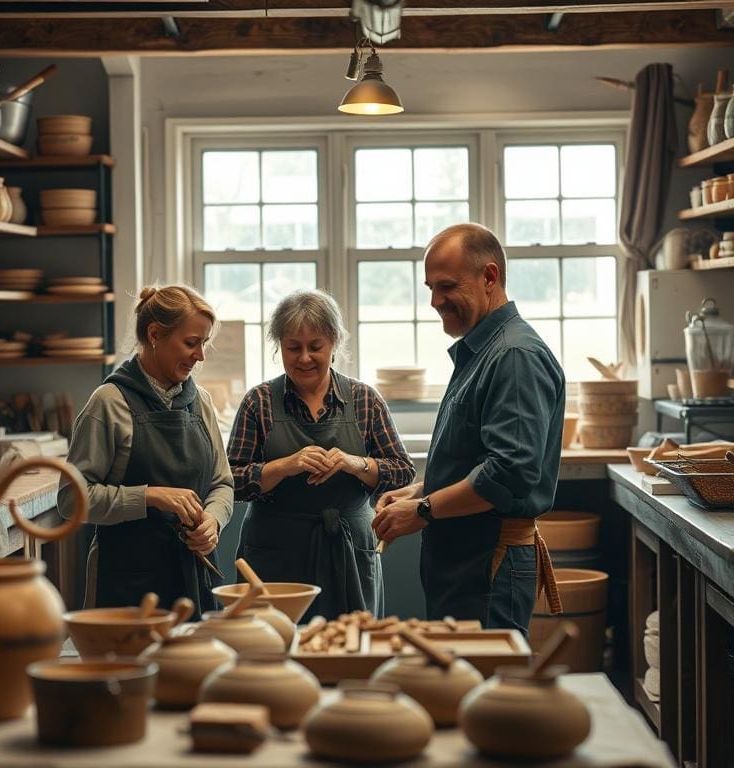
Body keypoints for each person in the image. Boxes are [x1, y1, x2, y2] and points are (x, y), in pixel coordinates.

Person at [372, 223, 565, 635]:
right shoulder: (483, 351)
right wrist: (421, 490)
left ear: (490, 277)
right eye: (430, 288)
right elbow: (476, 459)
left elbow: (508, 473)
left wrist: (423, 511)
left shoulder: (514, 356)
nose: (435, 301)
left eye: (446, 287)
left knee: (487, 690)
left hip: (487, 565)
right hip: (465, 565)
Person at [227, 289, 415, 620]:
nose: (304, 358)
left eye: (316, 347)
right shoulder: (258, 402)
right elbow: (233, 482)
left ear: (334, 343)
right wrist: (285, 466)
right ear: (278, 346)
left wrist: (356, 464)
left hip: (348, 549)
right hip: (276, 551)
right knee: (275, 650)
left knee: (352, 647)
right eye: (292, 348)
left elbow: (402, 471)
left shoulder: (364, 399)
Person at [58, 285, 233, 617]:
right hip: (126, 583)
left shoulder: (202, 403)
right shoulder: (109, 403)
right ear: (155, 334)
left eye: (204, 344)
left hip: (193, 579)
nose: (201, 356)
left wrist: (213, 520)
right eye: (191, 343)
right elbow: (71, 500)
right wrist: (149, 496)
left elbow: (222, 484)